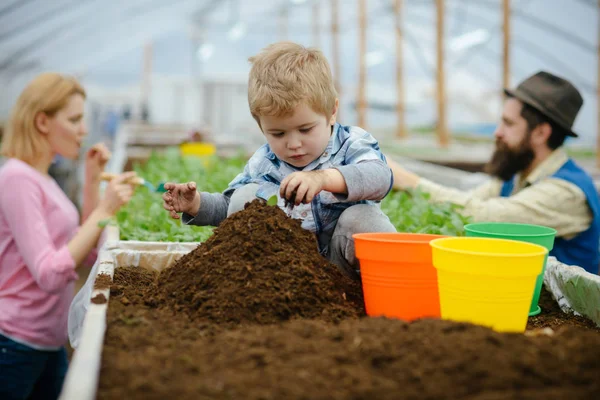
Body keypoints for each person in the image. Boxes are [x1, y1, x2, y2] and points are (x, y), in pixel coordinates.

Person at [162, 41, 396, 279]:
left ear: (332, 111)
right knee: (245, 198)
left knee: (362, 219)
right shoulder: (265, 162)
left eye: (305, 129)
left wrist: (324, 179)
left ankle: (391, 286)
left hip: (344, 271)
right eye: (278, 134)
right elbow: (229, 208)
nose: (293, 144)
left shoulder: (350, 143)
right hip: (283, 276)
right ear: (261, 125)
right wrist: (196, 204)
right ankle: (249, 287)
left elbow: (379, 177)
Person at [0, 72, 137, 400]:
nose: (84, 130)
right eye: (74, 120)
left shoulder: (41, 179)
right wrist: (104, 210)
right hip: (15, 346)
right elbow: (51, 273)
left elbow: (85, 254)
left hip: (48, 343)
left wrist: (92, 183)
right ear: (43, 122)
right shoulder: (17, 179)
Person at [388, 71, 600, 274]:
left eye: (508, 124)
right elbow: (467, 204)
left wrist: (409, 181)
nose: (497, 132)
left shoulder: (566, 192)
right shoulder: (517, 175)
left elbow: (484, 218)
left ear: (541, 133)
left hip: (565, 308)